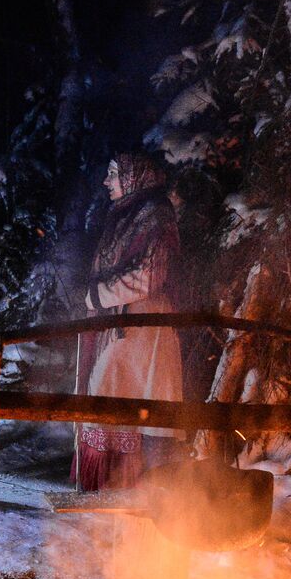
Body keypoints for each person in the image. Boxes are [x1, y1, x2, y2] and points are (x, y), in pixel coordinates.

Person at [75, 151, 185, 491]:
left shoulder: (155, 215)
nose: (107, 182)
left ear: (134, 176)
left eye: (113, 174)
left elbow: (149, 275)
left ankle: (138, 484)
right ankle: (113, 483)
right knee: (108, 391)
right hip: (123, 327)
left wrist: (99, 295)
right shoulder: (126, 214)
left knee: (134, 396)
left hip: (143, 328)